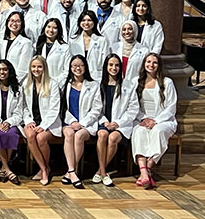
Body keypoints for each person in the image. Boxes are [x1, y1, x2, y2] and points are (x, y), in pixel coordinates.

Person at [132, 53, 177, 189]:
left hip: (163, 120)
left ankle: (148, 167)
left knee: (157, 132)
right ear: (144, 64)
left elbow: (171, 106)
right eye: (148, 62)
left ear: (159, 65)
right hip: (143, 119)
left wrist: (155, 121)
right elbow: (134, 105)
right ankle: (144, 172)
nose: (151, 65)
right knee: (139, 132)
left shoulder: (167, 82)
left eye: (154, 62)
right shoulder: (136, 81)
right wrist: (144, 118)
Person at [94, 54, 138, 185]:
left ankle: (100, 171)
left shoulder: (128, 85)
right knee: (102, 134)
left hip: (121, 124)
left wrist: (118, 123)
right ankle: (103, 173)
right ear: (106, 66)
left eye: (117, 65)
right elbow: (96, 107)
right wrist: (104, 121)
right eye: (111, 65)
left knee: (113, 138)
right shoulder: (99, 84)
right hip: (103, 121)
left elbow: (133, 109)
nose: (114, 68)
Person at [60, 55, 101, 189]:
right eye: (74, 66)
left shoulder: (93, 85)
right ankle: (72, 171)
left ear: (85, 67)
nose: (77, 68)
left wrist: (82, 123)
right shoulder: (65, 85)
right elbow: (63, 107)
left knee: (79, 136)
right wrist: (72, 121)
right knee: (69, 134)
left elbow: (97, 108)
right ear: (70, 68)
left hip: (87, 123)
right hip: (69, 122)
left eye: (80, 65)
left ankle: (70, 171)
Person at [22, 55, 61, 185]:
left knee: (41, 138)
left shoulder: (52, 84)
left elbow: (54, 109)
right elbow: (23, 107)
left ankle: (44, 169)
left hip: (49, 123)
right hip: (32, 121)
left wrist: (43, 126)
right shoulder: (26, 84)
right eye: (33, 67)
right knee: (30, 135)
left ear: (44, 68)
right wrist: (28, 121)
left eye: (39, 66)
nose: (36, 69)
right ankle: (44, 168)